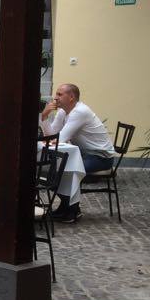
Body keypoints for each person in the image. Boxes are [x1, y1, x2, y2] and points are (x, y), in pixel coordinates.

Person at [40, 83, 116, 223]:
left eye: (59, 94)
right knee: (54, 170)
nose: (55, 98)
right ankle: (67, 208)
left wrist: (50, 140)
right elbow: (52, 135)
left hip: (101, 157)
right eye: (56, 94)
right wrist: (44, 116)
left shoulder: (80, 112)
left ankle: (72, 211)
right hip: (85, 154)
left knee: (65, 171)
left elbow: (59, 139)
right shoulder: (63, 111)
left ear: (71, 97)